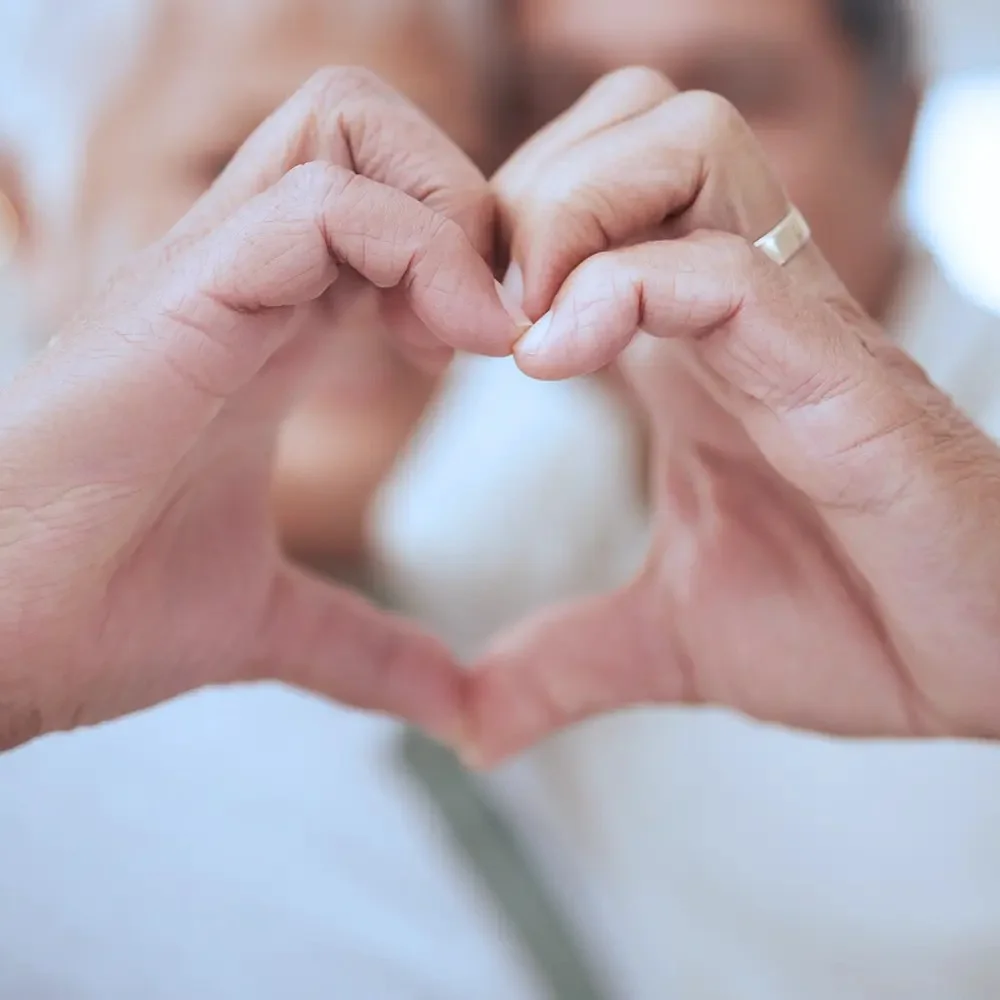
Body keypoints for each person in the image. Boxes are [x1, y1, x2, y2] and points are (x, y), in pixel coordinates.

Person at [4, 42, 1000, 1000]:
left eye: (444, 169)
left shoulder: (493, 539)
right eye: (233, 168)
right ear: (22, 213)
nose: (354, 247)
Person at [366, 1, 1000, 997]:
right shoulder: (464, 510)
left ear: (899, 129)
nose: (642, 163)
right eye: (557, 99)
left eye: (735, 95)